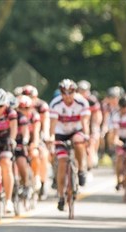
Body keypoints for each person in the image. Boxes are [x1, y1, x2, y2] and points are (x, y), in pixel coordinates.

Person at [48, 79, 90, 211]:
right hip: (60, 132)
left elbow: (85, 122)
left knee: (78, 142)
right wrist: (50, 138)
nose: (67, 96)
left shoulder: (82, 102)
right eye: (64, 93)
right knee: (62, 162)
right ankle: (61, 196)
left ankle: (82, 169)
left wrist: (86, 135)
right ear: (60, 93)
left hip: (75, 130)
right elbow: (53, 124)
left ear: (75, 92)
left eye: (70, 92)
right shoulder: (55, 104)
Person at [22, 85, 51, 200]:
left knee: (43, 155)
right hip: (24, 134)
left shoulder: (41, 106)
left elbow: (46, 121)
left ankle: (42, 181)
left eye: (31, 96)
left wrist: (46, 135)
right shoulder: (20, 106)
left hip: (38, 133)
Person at [77, 80, 103, 171]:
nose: (83, 93)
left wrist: (95, 126)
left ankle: (91, 160)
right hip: (79, 122)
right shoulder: (76, 100)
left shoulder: (92, 100)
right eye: (81, 91)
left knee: (92, 139)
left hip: (90, 121)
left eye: (85, 91)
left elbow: (97, 115)